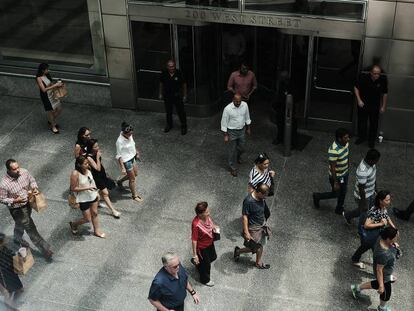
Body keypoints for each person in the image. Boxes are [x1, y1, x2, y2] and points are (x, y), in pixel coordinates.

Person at [0, 159, 53, 260]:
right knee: (30, 227)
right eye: (15, 169)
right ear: (9, 170)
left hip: (28, 203)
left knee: (21, 223)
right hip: (17, 209)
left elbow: (32, 180)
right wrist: (15, 200)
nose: (18, 170)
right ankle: (45, 249)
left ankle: (17, 238)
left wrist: (34, 188)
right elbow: (2, 199)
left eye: (18, 167)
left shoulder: (24, 172)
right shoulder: (4, 184)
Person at [351, 227, 400, 311]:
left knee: (377, 283)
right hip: (383, 274)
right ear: (388, 239)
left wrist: (393, 244)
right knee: (386, 294)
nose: (396, 239)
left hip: (386, 272)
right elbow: (379, 270)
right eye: (395, 238)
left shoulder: (381, 237)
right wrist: (382, 285)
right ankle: (381, 308)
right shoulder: (384, 254)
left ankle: (356, 288)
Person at [351, 190, 396, 269]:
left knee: (368, 249)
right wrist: (381, 224)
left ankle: (356, 259)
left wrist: (394, 227)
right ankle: (379, 269)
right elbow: (366, 225)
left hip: (377, 235)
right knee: (373, 250)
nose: (389, 202)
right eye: (387, 200)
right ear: (380, 201)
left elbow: (386, 216)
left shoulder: (383, 207)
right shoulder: (375, 211)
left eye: (389, 199)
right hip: (372, 236)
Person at [312, 128, 350, 215]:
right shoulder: (333, 150)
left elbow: (347, 155)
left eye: (348, 137)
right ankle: (318, 196)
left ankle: (339, 208)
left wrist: (347, 168)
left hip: (344, 173)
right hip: (337, 176)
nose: (348, 139)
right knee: (336, 193)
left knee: (343, 192)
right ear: (339, 139)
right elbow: (333, 168)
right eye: (346, 138)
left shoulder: (346, 144)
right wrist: (335, 182)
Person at [234, 182, 271, 269]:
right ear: (259, 192)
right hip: (253, 228)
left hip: (261, 225)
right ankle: (240, 252)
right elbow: (245, 217)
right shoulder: (248, 201)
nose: (265, 198)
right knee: (256, 247)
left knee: (258, 246)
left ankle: (240, 252)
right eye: (264, 196)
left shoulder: (261, 197)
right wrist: (246, 232)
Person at [69, 156, 105, 238]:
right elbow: (73, 188)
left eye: (87, 163)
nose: (87, 164)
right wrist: (87, 188)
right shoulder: (75, 173)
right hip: (83, 198)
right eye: (85, 163)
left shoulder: (88, 170)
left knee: (95, 213)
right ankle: (74, 224)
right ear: (79, 165)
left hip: (92, 195)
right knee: (87, 219)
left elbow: (92, 181)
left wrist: (96, 193)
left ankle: (97, 231)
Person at [343, 149, 381, 224]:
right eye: (376, 160)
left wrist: (375, 189)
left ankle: (348, 215)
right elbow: (361, 189)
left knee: (365, 210)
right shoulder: (362, 171)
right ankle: (362, 231)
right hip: (363, 196)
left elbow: (373, 177)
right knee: (364, 214)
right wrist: (364, 202)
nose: (377, 162)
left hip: (371, 193)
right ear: (371, 160)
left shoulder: (372, 164)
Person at [354, 64, 388, 148]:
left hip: (375, 105)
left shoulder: (382, 80)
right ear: (371, 73)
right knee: (362, 122)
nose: (377, 75)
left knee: (374, 123)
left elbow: (385, 93)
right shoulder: (364, 78)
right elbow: (356, 87)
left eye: (378, 74)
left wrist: (383, 106)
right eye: (375, 73)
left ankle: (371, 140)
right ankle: (362, 137)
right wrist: (359, 100)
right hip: (363, 104)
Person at [86, 139, 120, 219]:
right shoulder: (89, 158)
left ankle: (96, 202)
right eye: (95, 147)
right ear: (91, 148)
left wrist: (106, 173)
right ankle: (113, 211)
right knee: (105, 193)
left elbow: (100, 165)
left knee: (102, 191)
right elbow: (97, 168)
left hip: (102, 174)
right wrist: (97, 157)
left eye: (98, 145)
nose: (98, 148)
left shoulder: (96, 152)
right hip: (96, 177)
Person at [221, 93, 251, 177]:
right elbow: (224, 123)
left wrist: (248, 128)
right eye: (236, 102)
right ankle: (233, 167)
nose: (238, 103)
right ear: (233, 100)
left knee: (242, 147)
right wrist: (225, 135)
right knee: (232, 150)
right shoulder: (227, 109)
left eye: (239, 101)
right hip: (232, 132)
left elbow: (247, 117)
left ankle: (238, 156)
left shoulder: (244, 105)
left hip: (242, 130)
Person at [191, 202, 218, 287]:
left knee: (213, 256)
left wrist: (213, 227)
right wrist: (195, 254)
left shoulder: (206, 217)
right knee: (206, 265)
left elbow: (210, 221)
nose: (208, 213)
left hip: (210, 242)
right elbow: (194, 240)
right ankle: (205, 280)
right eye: (206, 212)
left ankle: (198, 263)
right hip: (202, 247)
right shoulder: (196, 224)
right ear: (200, 214)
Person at [115, 122, 143, 203]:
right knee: (132, 179)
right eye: (129, 134)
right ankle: (134, 196)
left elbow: (132, 144)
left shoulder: (129, 135)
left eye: (132, 133)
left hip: (132, 157)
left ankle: (120, 181)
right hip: (126, 161)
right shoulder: (119, 141)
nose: (131, 135)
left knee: (135, 174)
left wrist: (136, 152)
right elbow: (119, 155)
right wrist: (123, 168)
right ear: (124, 133)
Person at [159, 60, 188, 135]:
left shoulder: (179, 73)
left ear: (175, 66)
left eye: (173, 66)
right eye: (170, 66)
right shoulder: (164, 73)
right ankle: (169, 125)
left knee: (181, 112)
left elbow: (184, 84)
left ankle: (184, 126)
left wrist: (185, 95)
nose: (172, 68)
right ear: (167, 67)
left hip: (177, 96)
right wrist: (160, 93)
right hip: (167, 96)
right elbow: (161, 83)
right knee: (168, 112)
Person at [35, 63, 63, 134]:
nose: (48, 70)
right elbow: (43, 90)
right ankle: (53, 126)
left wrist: (57, 85)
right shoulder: (39, 78)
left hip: (52, 94)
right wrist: (55, 85)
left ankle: (51, 121)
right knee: (50, 111)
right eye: (47, 69)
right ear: (42, 70)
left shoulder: (47, 75)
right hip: (46, 96)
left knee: (59, 109)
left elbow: (50, 84)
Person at [272, 71, 298, 146]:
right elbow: (279, 95)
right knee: (280, 124)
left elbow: (294, 97)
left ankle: (292, 142)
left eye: (283, 77)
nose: (282, 79)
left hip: (289, 108)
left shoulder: (292, 85)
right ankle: (280, 138)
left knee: (292, 126)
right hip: (281, 107)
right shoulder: (281, 84)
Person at [0, 233, 23, 310]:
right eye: (4, 240)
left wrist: (18, 254)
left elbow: (11, 253)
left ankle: (12, 303)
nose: (6, 241)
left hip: (10, 270)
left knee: (18, 288)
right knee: (8, 293)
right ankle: (9, 307)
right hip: (4, 274)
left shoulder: (4, 248)